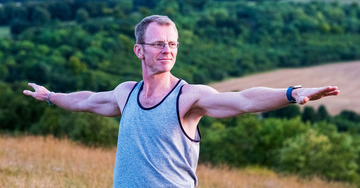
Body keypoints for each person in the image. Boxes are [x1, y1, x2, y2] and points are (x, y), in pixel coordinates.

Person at [23, 15, 340, 188]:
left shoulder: (188, 97)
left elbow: (242, 100)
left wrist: (290, 93)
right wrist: (50, 96)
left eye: (172, 44)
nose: (167, 50)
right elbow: (87, 101)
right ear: (139, 50)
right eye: (158, 44)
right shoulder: (126, 93)